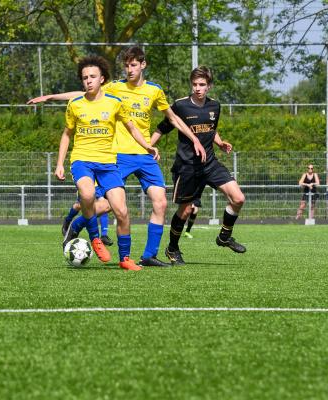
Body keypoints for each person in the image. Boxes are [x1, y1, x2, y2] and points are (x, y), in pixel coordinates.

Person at [30, 46, 205, 267]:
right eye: (126, 65)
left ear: (143, 65)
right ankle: (76, 226)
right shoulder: (114, 87)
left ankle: (149, 255)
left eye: (133, 65)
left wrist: (195, 138)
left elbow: (173, 118)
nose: (129, 70)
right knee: (105, 205)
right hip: (118, 155)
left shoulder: (154, 91)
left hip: (144, 154)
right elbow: (82, 95)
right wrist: (51, 97)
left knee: (160, 203)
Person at [54, 55, 159, 271]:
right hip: (82, 160)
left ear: (102, 79)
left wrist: (147, 146)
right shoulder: (75, 105)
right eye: (84, 78)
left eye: (93, 76)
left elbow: (131, 127)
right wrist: (60, 163)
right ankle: (95, 238)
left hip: (108, 163)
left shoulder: (115, 103)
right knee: (87, 194)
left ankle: (125, 258)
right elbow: (66, 135)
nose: (88, 81)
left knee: (121, 210)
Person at [151, 66, 246, 265]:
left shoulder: (215, 106)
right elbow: (162, 127)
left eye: (202, 85)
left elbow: (212, 129)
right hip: (187, 167)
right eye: (194, 84)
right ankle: (172, 248)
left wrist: (219, 142)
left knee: (238, 198)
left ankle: (224, 236)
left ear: (209, 86)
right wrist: (147, 147)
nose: (198, 88)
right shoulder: (180, 106)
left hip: (210, 164)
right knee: (185, 211)